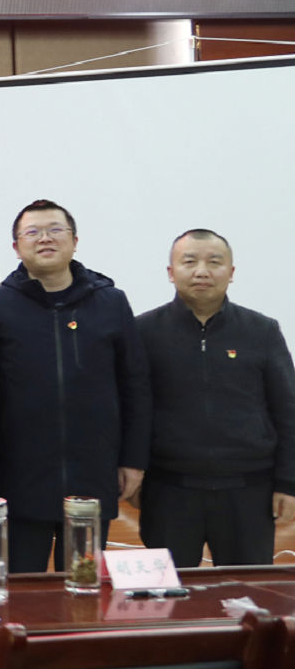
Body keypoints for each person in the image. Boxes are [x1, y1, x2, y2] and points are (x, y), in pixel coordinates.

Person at [0, 199, 149, 572]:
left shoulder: (111, 302)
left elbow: (134, 386)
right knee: (24, 587)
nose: (45, 239)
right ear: (16, 247)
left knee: (83, 584)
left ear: (74, 241)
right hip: (19, 473)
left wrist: (133, 460)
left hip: (93, 471)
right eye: (33, 232)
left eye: (55, 230)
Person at [134, 230, 295, 567]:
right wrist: (133, 473)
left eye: (214, 262)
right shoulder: (143, 332)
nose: (202, 271)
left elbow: (287, 411)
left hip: (249, 492)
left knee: (248, 593)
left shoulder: (262, 331)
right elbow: (130, 411)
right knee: (170, 593)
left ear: (231, 272)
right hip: (169, 491)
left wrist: (288, 483)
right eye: (189, 262)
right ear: (170, 272)